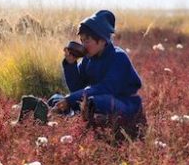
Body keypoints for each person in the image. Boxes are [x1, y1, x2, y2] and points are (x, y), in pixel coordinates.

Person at [50, 10, 146, 138]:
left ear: (102, 40)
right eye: (82, 40)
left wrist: (71, 99)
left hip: (124, 103)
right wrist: (71, 65)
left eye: (87, 40)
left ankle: (78, 118)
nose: (83, 45)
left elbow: (105, 88)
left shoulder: (119, 57)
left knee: (95, 102)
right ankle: (47, 113)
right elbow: (77, 89)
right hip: (95, 99)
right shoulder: (88, 59)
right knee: (56, 99)